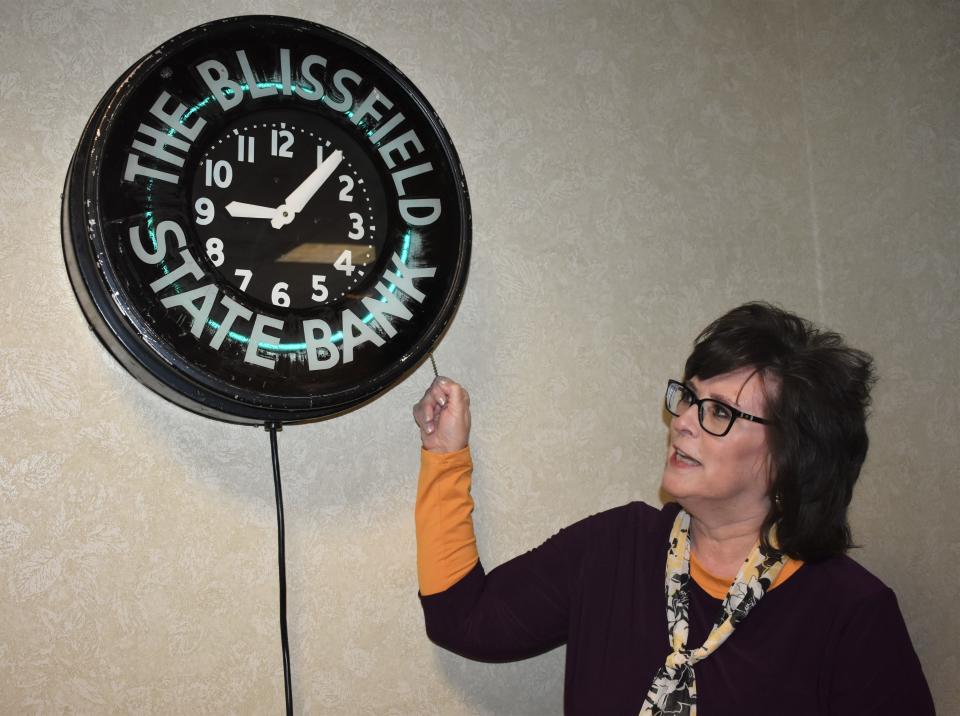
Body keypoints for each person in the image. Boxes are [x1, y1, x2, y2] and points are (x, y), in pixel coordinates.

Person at [411, 302, 934, 715]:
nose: (683, 420)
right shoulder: (616, 548)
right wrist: (445, 454)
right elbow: (464, 619)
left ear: (791, 456)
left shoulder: (850, 612)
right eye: (688, 397)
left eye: (718, 411)